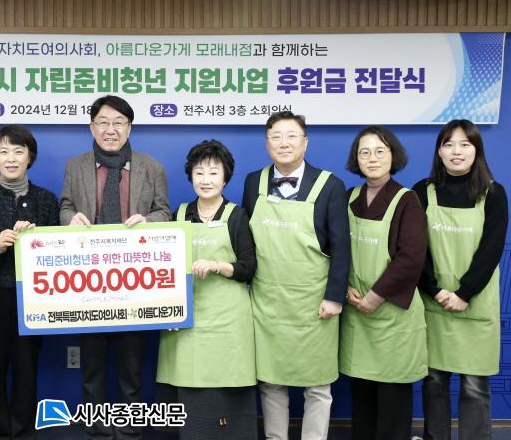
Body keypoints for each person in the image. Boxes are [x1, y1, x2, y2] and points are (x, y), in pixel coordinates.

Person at [60, 95, 171, 439]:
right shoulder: (75, 166)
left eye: (118, 123)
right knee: (92, 366)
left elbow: (164, 212)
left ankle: (130, 430)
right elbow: (65, 206)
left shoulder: (151, 167)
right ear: (92, 127)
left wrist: (148, 221)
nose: (111, 130)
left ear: (129, 127)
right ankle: (96, 430)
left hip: (134, 282)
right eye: (103, 123)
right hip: (90, 282)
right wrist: (70, 219)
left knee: (131, 366)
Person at [241, 111, 349, 440]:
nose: (283, 143)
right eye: (276, 136)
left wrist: (334, 297)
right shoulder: (253, 182)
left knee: (318, 384)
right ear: (267, 144)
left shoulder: (330, 185)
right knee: (271, 381)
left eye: (291, 136)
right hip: (267, 300)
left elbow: (342, 247)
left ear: (305, 142)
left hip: (313, 302)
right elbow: (247, 242)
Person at [412, 119, 508, 440]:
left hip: (475, 304)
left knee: (475, 385)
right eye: (449, 144)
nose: (456, 151)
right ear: (439, 151)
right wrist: (435, 290)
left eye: (465, 144)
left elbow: (491, 249)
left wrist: (464, 293)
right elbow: (415, 249)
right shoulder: (422, 192)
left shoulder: (493, 194)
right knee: (434, 381)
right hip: (434, 303)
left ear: (476, 150)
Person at [0, 125, 59, 440]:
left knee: (27, 366)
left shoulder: (46, 199)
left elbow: (59, 247)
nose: (11, 158)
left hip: (34, 295)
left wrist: (37, 241)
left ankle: (24, 430)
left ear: (30, 156)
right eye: (4, 151)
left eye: (18, 151)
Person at [156, 140, 257, 439]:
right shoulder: (179, 214)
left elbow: (249, 267)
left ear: (225, 178)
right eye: (199, 172)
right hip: (186, 318)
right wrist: (169, 312)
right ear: (190, 176)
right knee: (189, 388)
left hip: (228, 318)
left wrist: (216, 265)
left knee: (227, 388)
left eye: (214, 173)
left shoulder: (236, 216)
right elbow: (164, 266)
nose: (206, 179)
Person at [340, 126, 428, 440]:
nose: (372, 158)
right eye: (364, 152)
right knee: (362, 395)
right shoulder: (349, 198)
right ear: (356, 159)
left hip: (392, 315)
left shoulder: (407, 200)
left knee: (392, 397)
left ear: (393, 156)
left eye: (380, 151)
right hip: (356, 311)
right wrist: (344, 287)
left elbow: (411, 258)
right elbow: (336, 247)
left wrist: (375, 297)